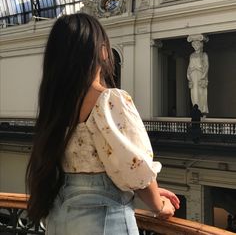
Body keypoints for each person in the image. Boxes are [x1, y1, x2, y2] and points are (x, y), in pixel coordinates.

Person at [26, 13, 180, 234]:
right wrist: (159, 204)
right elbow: (134, 166)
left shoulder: (55, 107)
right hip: (104, 218)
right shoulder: (109, 100)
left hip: (61, 216)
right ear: (102, 51)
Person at [187, 39, 209, 114]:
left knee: (201, 93)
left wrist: (203, 76)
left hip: (200, 75)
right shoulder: (191, 55)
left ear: (200, 45)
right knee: (194, 94)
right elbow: (189, 67)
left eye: (197, 44)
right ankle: (195, 110)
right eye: (194, 45)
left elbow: (206, 66)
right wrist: (188, 75)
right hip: (193, 76)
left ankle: (202, 110)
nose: (196, 46)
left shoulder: (204, 54)